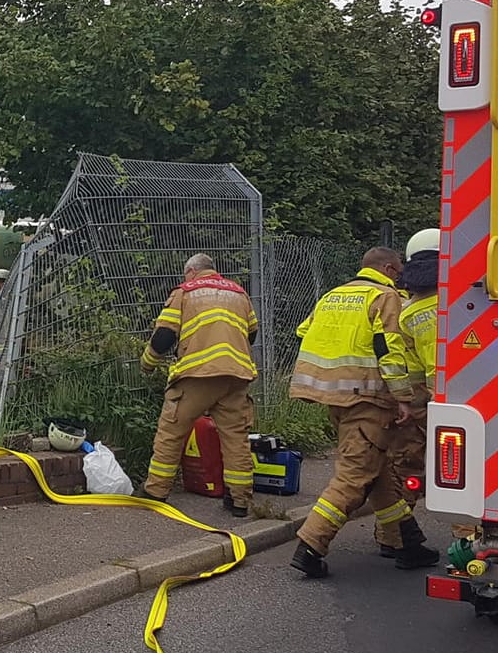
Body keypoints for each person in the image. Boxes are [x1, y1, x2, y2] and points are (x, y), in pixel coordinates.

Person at [288, 247, 439, 577]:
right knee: (353, 476)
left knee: (378, 471)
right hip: (368, 399)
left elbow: (303, 332)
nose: (402, 278)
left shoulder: (333, 295)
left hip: (334, 397)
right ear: (387, 268)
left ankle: (407, 542)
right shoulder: (385, 298)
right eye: (398, 271)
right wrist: (403, 397)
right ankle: (310, 546)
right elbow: (389, 350)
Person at [137, 254, 259, 517]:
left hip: (197, 376)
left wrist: (147, 363)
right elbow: (252, 333)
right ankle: (239, 501)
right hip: (236, 376)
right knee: (236, 438)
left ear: (191, 271)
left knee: (172, 430)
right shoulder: (239, 293)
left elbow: (165, 335)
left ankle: (155, 491)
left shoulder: (185, 292)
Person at [386, 229, 456, 547]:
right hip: (466, 399)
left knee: (408, 463)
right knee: (461, 470)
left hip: (426, 402)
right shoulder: (461, 301)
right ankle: (466, 539)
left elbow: (408, 365)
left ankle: (394, 534)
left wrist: (410, 406)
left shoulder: (406, 314)